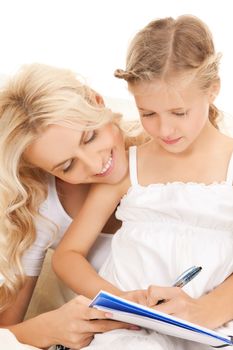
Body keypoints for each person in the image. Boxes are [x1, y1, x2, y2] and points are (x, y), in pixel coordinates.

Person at [52, 15, 233, 349]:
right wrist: (121, 300)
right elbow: (67, 255)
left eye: (179, 113)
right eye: (148, 114)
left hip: (212, 327)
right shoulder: (129, 168)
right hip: (132, 333)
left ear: (213, 89)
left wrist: (205, 310)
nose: (164, 131)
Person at [0, 63, 144, 350]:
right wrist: (49, 327)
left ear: (97, 101)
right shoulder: (42, 208)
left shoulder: (164, 153)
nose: (95, 163)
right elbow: (7, 331)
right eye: (67, 166)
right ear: (44, 170)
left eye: (90, 136)